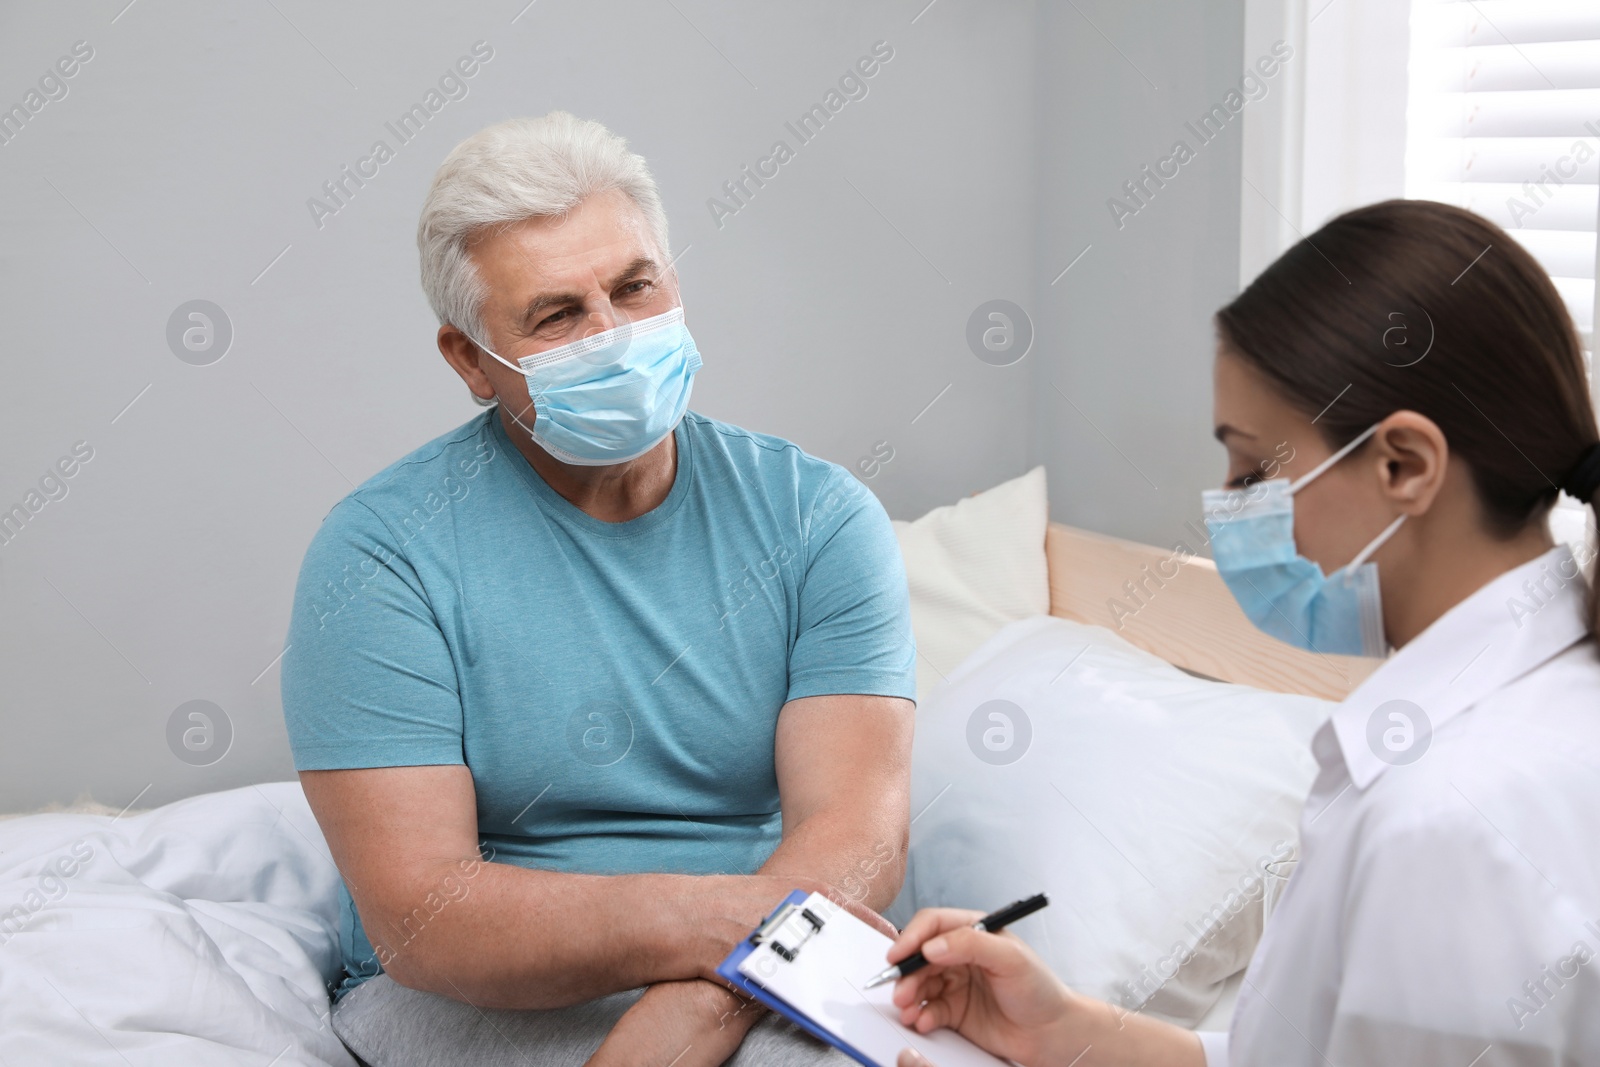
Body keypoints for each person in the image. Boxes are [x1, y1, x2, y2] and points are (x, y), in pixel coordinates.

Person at [888, 200, 1600, 1066]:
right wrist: (1067, 1035)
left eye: (1255, 466)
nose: (1229, 507)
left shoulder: (1450, 820)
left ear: (1403, 466)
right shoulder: (1524, 707)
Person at [281, 112, 914, 1066]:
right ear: (468, 361)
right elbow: (423, 917)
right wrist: (726, 936)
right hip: (485, 988)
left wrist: (703, 1006)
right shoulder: (380, 552)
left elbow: (855, 835)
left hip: (765, 972)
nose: (614, 336)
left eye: (634, 287)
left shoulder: (820, 516)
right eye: (557, 315)